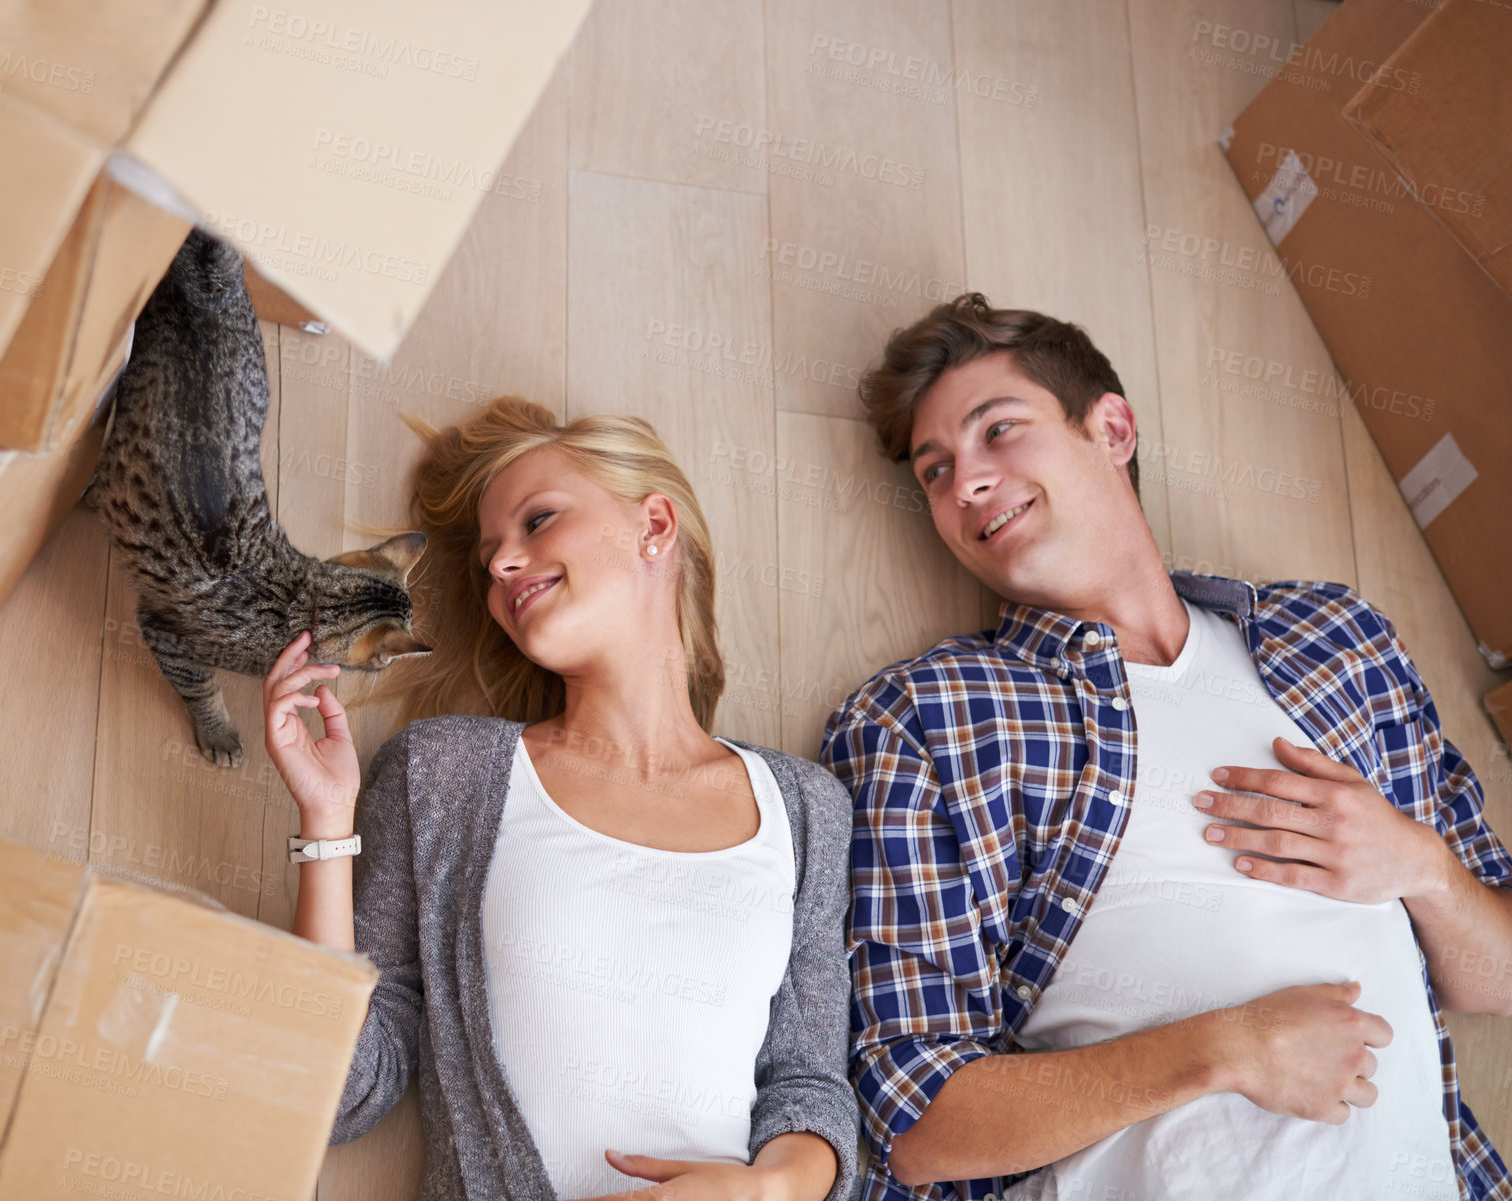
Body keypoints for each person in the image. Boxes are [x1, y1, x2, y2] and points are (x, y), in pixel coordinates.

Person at [819, 293, 1512, 1201]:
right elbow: (916, 1125)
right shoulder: (928, 715)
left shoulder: (1336, 640)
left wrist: (1419, 866)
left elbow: (1495, 979)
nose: (966, 484)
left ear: (1110, 428)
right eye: (935, 471)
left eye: (999, 431)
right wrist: (1222, 1048)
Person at [265, 396, 859, 1201]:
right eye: (489, 558)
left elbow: (808, 1082)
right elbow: (335, 1092)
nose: (504, 564)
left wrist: (767, 1190)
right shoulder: (444, 774)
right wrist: (327, 820)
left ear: (654, 524)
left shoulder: (804, 809)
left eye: (537, 521)